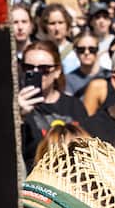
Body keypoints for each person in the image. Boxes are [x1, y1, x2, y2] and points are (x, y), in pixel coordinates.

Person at [17, 39, 87, 169]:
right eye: (29, 68)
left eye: (44, 69)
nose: (37, 73)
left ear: (57, 71)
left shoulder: (74, 105)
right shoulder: (17, 107)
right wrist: (17, 117)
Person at [63, 30, 108, 98]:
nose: (86, 52)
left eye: (92, 49)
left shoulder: (108, 76)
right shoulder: (68, 80)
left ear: (98, 50)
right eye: (81, 49)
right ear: (75, 52)